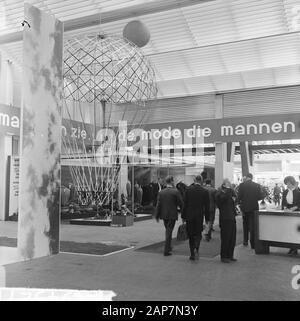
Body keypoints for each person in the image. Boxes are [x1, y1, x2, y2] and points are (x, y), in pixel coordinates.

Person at [182, 175, 210, 261]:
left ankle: (192, 254)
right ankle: (196, 247)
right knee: (198, 233)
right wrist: (207, 218)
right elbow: (207, 206)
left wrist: (183, 216)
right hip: (199, 215)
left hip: (189, 215)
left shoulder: (188, 189)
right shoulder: (204, 191)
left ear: (194, 180)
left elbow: (185, 204)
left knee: (190, 234)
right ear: (201, 181)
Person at [155, 176, 184, 256]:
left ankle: (169, 246)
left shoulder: (161, 192)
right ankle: (166, 250)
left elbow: (158, 205)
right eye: (173, 181)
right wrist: (183, 213)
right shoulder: (175, 192)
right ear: (171, 181)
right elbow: (181, 203)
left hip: (164, 215)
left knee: (168, 230)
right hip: (172, 214)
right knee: (169, 231)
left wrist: (157, 215)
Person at [237, 173, 264, 249]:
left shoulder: (242, 185)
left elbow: (239, 197)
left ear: (246, 177)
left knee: (245, 224)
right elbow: (259, 197)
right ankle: (253, 243)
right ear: (252, 178)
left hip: (245, 208)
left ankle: (245, 241)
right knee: (253, 225)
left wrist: (239, 204)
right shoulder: (257, 185)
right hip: (254, 207)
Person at [216, 178, 237, 263]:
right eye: (228, 183)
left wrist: (232, 192)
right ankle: (224, 256)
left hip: (232, 218)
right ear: (224, 184)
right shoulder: (219, 193)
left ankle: (230, 255)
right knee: (225, 238)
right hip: (225, 219)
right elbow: (221, 201)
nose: (230, 185)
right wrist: (228, 190)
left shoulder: (230, 192)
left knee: (232, 238)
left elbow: (236, 198)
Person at [282, 176, 300, 256]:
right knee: (288, 230)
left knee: (295, 231)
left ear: (292, 183)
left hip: (295, 212)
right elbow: (283, 201)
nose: (287, 185)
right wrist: (285, 208)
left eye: (288, 183)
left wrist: (292, 209)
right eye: (286, 183)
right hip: (287, 212)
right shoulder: (285, 192)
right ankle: (291, 247)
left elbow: (299, 204)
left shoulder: (298, 192)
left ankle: (295, 248)